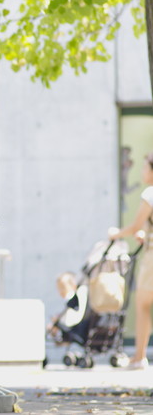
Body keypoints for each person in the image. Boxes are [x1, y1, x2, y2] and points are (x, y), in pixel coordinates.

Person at [109, 150, 153, 370]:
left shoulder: (150, 193)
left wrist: (116, 234)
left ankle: (139, 357)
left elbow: (135, 226)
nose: (142, 171)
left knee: (143, 304)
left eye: (145, 167)